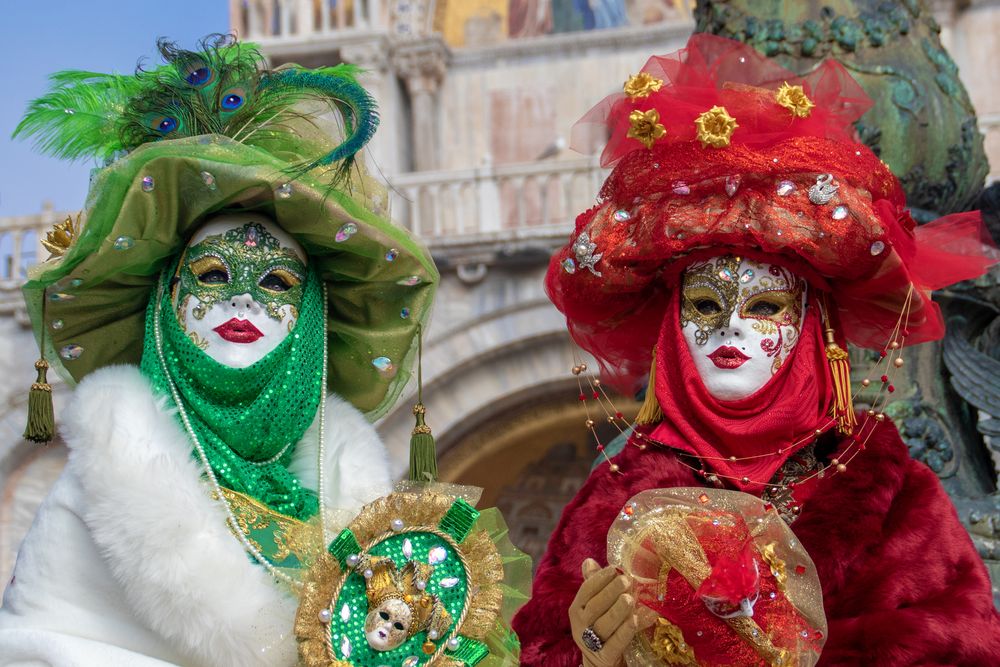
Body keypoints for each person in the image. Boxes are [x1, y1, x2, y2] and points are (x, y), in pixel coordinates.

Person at [513, 33, 1000, 666]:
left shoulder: (888, 491)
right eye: (706, 306)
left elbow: (963, 646)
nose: (730, 330)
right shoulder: (616, 496)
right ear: (672, 329)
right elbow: (545, 645)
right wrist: (590, 655)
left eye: (765, 307)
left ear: (812, 329)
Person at [0, 36, 437, 666]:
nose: (245, 303)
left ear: (311, 318)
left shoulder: (340, 485)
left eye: (278, 285)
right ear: (165, 303)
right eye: (211, 276)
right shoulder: (95, 498)